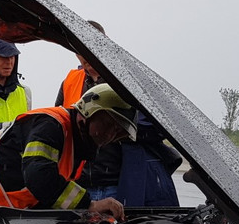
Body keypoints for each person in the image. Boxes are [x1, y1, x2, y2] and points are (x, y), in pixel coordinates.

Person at [0, 83, 134, 224]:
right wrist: (90, 205)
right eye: (109, 125)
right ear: (89, 112)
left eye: (119, 133)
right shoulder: (51, 125)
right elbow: (39, 176)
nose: (111, 136)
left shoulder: (76, 145)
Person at [56, 21, 181, 207]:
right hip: (80, 184)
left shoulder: (129, 80)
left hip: (120, 183)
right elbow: (62, 125)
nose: (86, 57)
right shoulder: (70, 81)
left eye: (90, 48)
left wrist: (117, 127)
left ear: (104, 43)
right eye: (80, 51)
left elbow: (159, 127)